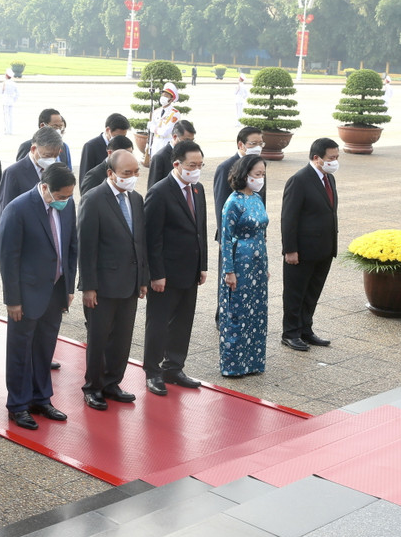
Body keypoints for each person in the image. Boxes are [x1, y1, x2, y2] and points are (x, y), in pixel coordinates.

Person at [0, 164, 76, 430]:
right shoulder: (18, 209)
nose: (66, 201)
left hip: (55, 291)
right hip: (26, 294)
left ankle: (41, 398)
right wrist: (12, 300)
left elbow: (71, 246)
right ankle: (18, 405)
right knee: (20, 351)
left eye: (69, 196)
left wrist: (69, 288)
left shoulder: (67, 205)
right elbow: (9, 258)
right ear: (45, 188)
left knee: (45, 348)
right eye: (62, 196)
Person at [79, 150, 148, 410]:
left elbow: (139, 241)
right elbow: (87, 247)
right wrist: (88, 286)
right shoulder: (94, 199)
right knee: (99, 338)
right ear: (111, 173)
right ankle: (93, 386)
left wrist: (143, 278)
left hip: (130, 282)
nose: (132, 178)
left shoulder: (136, 199)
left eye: (135, 173)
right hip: (103, 285)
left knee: (122, 337)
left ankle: (112, 382)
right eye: (126, 173)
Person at [143, 140, 208, 395]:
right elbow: (152, 238)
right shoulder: (160, 192)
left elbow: (199, 229)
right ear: (177, 164)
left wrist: (202, 264)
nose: (196, 169)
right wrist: (156, 274)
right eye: (192, 165)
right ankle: (152, 371)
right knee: (158, 323)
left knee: (183, 321)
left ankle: (174, 367)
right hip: (166, 274)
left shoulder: (198, 189)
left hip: (190, 270)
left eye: (200, 165)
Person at [281, 138, 339, 352]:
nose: (335, 162)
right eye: (331, 158)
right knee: (295, 294)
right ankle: (290, 333)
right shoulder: (299, 180)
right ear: (317, 158)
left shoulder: (328, 178)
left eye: (336, 157)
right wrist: (290, 249)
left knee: (312, 292)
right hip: (302, 251)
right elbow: (289, 218)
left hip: (324, 248)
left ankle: (306, 329)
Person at [219, 155, 269, 377]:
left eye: (263, 175)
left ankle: (254, 362)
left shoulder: (257, 199)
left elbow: (262, 233)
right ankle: (234, 365)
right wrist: (228, 271)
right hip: (240, 262)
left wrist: (265, 266)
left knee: (257, 312)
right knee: (237, 312)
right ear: (244, 175)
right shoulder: (233, 202)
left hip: (258, 263)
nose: (260, 179)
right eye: (257, 175)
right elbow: (226, 238)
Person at [0, 126, 63, 213]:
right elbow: (6, 212)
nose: (51, 160)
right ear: (33, 149)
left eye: (55, 156)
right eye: (47, 155)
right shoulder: (13, 173)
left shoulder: (58, 171)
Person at [78, 113, 130, 183]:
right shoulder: (91, 146)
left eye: (123, 136)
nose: (120, 140)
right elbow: (84, 178)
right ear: (108, 130)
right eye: (117, 136)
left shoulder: (124, 146)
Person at [147, 119, 195, 189]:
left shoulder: (189, 154)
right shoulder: (160, 157)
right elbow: (152, 188)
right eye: (186, 140)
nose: (189, 144)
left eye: (192, 141)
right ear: (175, 137)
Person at [147, 82, 181, 162]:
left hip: (166, 142)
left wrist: (152, 128)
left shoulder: (175, 113)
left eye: (166, 96)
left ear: (171, 99)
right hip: (155, 143)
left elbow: (165, 131)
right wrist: (148, 146)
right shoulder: (156, 112)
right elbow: (151, 132)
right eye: (162, 95)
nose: (163, 97)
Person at [2, 69, 19, 135]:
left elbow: (1, 92)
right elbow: (17, 94)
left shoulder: (4, 83)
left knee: (6, 116)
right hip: (11, 101)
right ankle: (10, 130)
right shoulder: (14, 84)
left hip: (5, 101)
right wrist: (13, 99)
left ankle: (7, 130)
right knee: (10, 116)